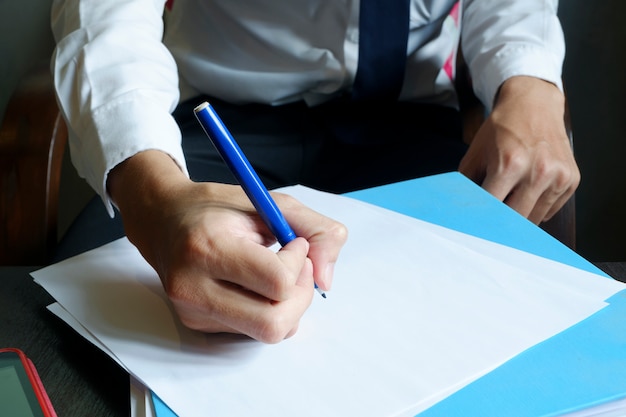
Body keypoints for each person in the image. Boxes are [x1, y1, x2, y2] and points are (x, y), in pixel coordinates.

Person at [50, 0, 579, 343]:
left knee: (510, 323)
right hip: (217, 134)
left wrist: (530, 81)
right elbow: (104, 17)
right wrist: (155, 197)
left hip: (413, 127)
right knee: (91, 318)